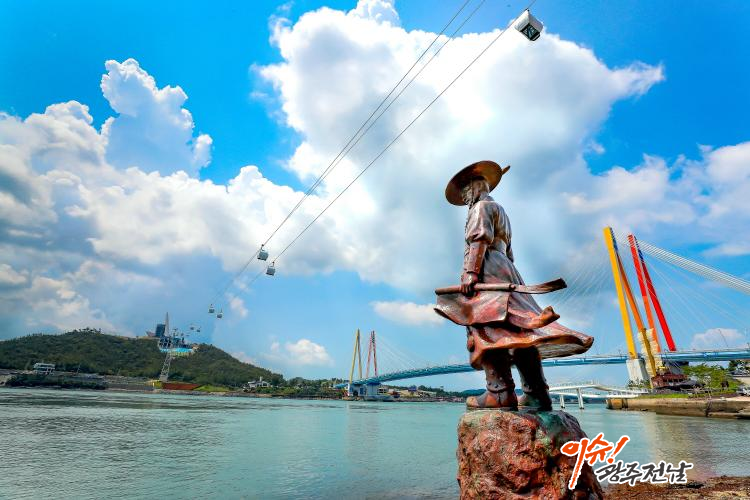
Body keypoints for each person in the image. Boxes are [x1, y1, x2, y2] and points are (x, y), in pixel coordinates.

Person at [435, 161, 593, 410]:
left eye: (466, 191)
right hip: (506, 270)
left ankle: (499, 392)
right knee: (519, 331)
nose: (464, 197)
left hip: (487, 269)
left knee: (488, 327)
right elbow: (510, 253)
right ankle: (536, 393)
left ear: (476, 187)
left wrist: (470, 273)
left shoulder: (481, 207)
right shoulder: (500, 210)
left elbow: (479, 239)